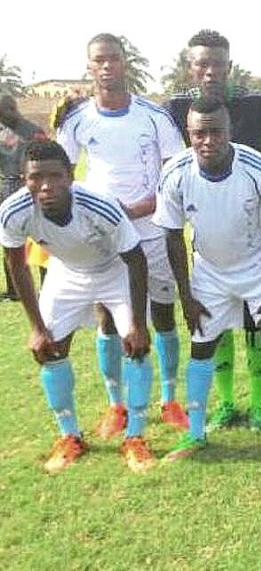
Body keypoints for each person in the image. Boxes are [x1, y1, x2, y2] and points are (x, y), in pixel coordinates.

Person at [154, 97, 261, 466]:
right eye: (199, 133)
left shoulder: (259, 169)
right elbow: (172, 235)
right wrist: (186, 295)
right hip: (209, 271)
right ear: (189, 134)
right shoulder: (175, 173)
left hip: (258, 266)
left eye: (216, 132)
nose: (208, 140)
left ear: (230, 130)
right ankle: (196, 433)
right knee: (201, 346)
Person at [56, 33, 188, 435]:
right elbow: (61, 176)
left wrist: (138, 208)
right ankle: (116, 405)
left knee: (162, 315)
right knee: (108, 319)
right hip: (103, 239)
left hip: (151, 231)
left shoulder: (154, 116)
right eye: (99, 60)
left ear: (124, 62)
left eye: (113, 58)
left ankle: (169, 399)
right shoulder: (77, 121)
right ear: (89, 66)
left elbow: (174, 174)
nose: (107, 66)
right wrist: (99, 217)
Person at [0, 140, 156, 473]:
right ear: (24, 179)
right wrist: (36, 327)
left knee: (136, 346)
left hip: (114, 270)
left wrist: (139, 324)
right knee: (49, 348)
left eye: (55, 176)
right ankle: (70, 437)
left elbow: (136, 260)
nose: (45, 186)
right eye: (35, 177)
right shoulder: (13, 210)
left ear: (70, 176)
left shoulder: (99, 205)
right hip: (67, 273)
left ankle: (135, 437)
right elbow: (16, 265)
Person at [165, 30, 261, 433]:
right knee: (212, 328)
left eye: (218, 63)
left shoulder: (257, 102)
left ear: (229, 66)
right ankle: (226, 402)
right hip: (209, 238)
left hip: (254, 236)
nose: (210, 71)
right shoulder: (177, 107)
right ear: (190, 67)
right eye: (202, 64)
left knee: (256, 327)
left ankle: (258, 403)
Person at [1, 94, 45, 300]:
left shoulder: (33, 131)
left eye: (9, 109)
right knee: (9, 240)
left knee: (42, 238)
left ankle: (46, 285)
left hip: (30, 186)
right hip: (6, 186)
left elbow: (45, 157)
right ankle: (14, 290)